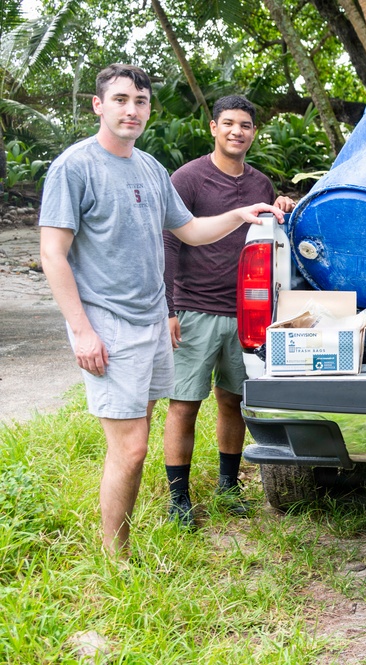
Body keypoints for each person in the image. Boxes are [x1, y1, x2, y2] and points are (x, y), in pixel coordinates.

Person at [37, 64, 285, 558]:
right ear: (98, 105)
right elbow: (52, 253)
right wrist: (81, 331)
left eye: (140, 101)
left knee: (137, 439)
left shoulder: (149, 168)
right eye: (121, 100)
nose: (131, 110)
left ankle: (121, 548)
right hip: (108, 322)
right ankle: (116, 561)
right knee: (131, 448)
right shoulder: (75, 166)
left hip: (150, 320)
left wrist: (239, 214)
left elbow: (189, 230)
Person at [162, 96, 295, 527]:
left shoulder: (260, 184)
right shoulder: (188, 179)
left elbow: (272, 238)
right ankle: (178, 499)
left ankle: (228, 486)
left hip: (247, 313)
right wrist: (167, 308)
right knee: (185, 404)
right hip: (194, 307)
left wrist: (284, 206)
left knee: (234, 401)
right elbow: (168, 242)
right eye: (229, 123)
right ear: (213, 128)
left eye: (246, 125)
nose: (238, 131)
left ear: (254, 132)